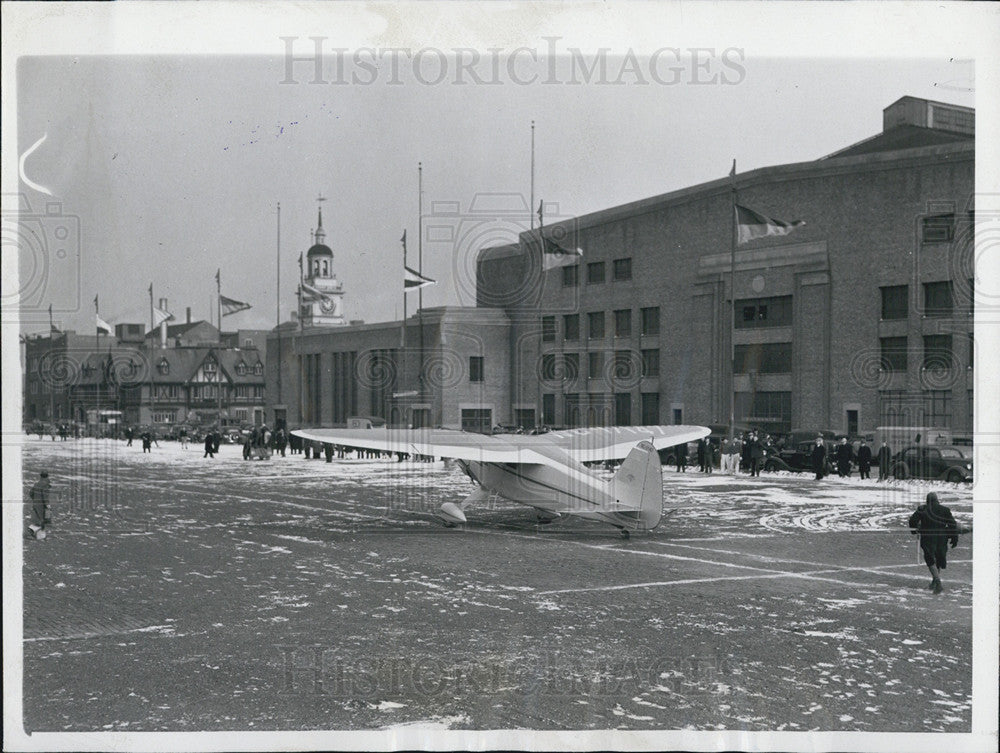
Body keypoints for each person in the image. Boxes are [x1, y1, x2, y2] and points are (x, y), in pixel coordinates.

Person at [908, 492, 960, 594]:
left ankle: (937, 581)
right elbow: (952, 524)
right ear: (937, 500)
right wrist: (954, 538)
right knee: (939, 558)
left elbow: (912, 521)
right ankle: (935, 581)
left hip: (928, 537)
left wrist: (915, 531)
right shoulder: (945, 510)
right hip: (942, 537)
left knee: (930, 558)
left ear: (927, 500)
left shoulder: (922, 509)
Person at [28, 471, 52, 539]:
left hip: (36, 504)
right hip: (42, 505)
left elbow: (31, 493)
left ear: (40, 476)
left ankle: (36, 531)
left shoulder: (36, 484)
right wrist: (47, 505)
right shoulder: (46, 485)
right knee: (44, 519)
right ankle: (38, 534)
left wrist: (35, 500)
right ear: (47, 476)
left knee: (37, 518)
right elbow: (45, 496)